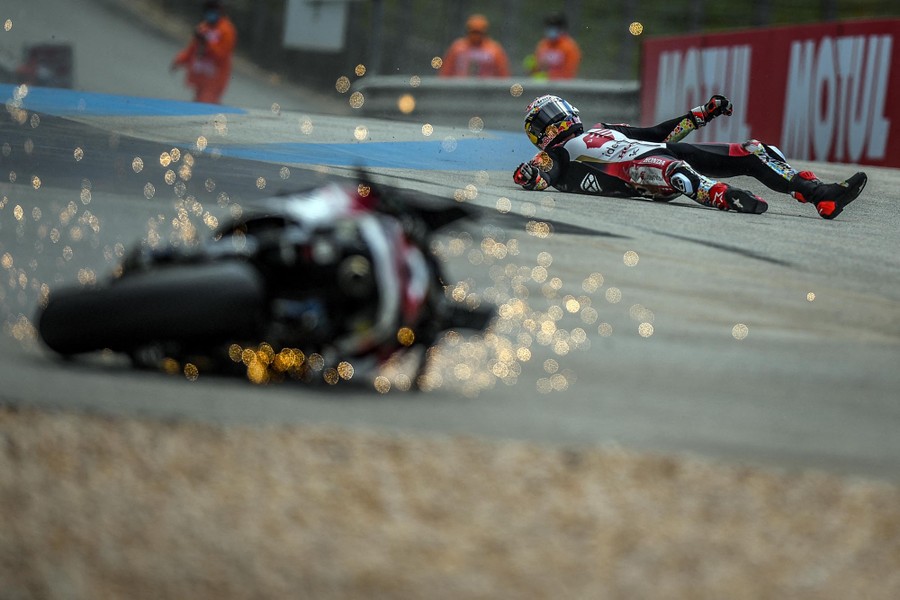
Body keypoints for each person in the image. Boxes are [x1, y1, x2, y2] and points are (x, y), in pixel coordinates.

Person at [512, 94, 867, 219]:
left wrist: (702, 113)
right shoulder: (557, 154)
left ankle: (821, 196)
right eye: (544, 120)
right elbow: (542, 172)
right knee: (675, 170)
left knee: (755, 149)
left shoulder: (604, 127)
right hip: (628, 173)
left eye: (552, 113)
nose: (552, 122)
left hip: (659, 151)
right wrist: (530, 174)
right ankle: (723, 197)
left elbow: (658, 134)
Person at [170, 0, 237, 104]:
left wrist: (207, 43)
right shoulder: (203, 27)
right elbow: (192, 49)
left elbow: (222, 54)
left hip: (214, 80)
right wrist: (178, 60)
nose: (210, 12)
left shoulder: (226, 30)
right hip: (200, 77)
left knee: (206, 106)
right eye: (208, 9)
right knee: (197, 107)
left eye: (214, 9)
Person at [439, 13, 510, 78]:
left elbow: (503, 74)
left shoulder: (494, 50)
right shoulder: (457, 48)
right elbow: (445, 72)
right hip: (460, 88)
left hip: (486, 89)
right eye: (473, 32)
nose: (476, 35)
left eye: (479, 32)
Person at [526, 13, 581, 80]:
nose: (551, 30)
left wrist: (549, 71)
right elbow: (536, 67)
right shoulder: (543, 44)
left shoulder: (569, 46)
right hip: (543, 85)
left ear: (562, 29)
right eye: (549, 26)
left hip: (562, 85)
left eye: (555, 27)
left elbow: (570, 70)